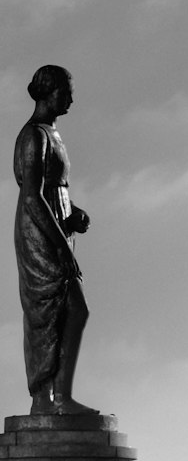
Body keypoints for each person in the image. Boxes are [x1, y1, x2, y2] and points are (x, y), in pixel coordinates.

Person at [13, 65, 93, 416]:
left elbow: (53, 189)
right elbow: (32, 196)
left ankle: (58, 397)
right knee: (58, 311)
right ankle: (47, 398)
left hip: (57, 229)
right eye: (65, 91)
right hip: (40, 234)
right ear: (48, 92)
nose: (70, 98)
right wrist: (60, 243)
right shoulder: (33, 136)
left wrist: (73, 213)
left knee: (67, 311)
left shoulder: (52, 134)